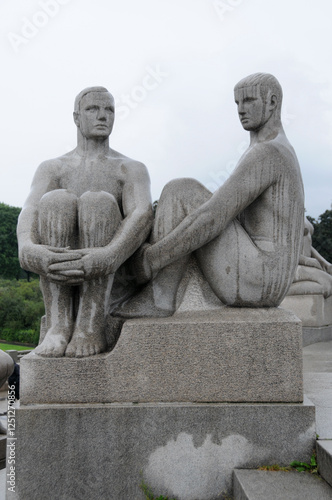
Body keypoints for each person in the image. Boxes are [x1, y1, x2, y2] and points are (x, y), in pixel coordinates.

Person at [115, 73, 305, 318]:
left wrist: (153, 258)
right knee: (185, 198)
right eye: (237, 103)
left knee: (180, 190)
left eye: (248, 101)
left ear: (272, 102)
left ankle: (159, 297)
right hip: (266, 276)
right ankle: (158, 294)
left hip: (261, 277)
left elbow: (213, 216)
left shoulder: (268, 152)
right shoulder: (271, 149)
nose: (241, 110)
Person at [17, 87, 153, 357]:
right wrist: (27, 247)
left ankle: (91, 324)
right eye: (93, 109)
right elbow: (30, 210)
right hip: (62, 263)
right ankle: (59, 323)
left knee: (98, 201)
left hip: (110, 271)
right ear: (77, 117)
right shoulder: (53, 167)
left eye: (110, 109)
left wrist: (110, 254)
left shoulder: (129, 168)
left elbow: (142, 213)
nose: (103, 116)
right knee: (55, 200)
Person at [287, 216, 332, 297]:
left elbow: (308, 242)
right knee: (327, 283)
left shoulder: (302, 212)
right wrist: (304, 260)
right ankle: (276, 295)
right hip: (290, 265)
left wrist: (324, 263)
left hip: (304, 264)